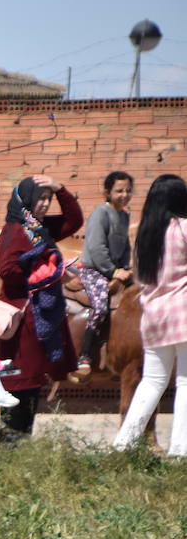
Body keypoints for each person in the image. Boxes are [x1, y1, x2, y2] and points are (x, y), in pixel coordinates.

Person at [0, 174, 84, 437]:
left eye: (48, 199)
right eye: (40, 199)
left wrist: (61, 189)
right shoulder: (15, 230)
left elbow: (74, 221)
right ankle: (11, 445)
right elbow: (7, 269)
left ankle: (19, 443)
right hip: (21, 321)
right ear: (26, 200)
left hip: (37, 318)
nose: (44, 204)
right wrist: (49, 269)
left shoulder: (37, 228)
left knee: (32, 383)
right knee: (20, 383)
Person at [113, 175, 187, 455]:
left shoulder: (145, 234)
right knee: (184, 382)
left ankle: (122, 445)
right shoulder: (184, 228)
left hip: (153, 316)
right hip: (183, 314)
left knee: (152, 381)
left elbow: (142, 279)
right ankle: (180, 451)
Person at [71, 171, 135, 377]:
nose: (124, 194)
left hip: (116, 271)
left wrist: (125, 267)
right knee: (100, 306)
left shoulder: (124, 215)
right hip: (95, 270)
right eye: (119, 191)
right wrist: (113, 270)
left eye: (128, 190)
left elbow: (125, 245)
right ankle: (85, 355)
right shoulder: (101, 213)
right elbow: (97, 247)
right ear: (107, 192)